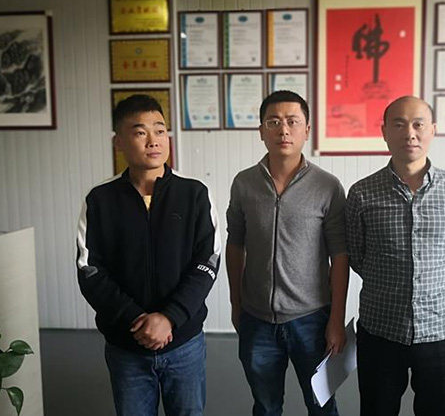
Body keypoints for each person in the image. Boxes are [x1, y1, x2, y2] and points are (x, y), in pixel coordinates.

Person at [76, 94, 221, 416]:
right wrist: (136, 320)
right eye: (140, 132)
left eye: (160, 130)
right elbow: (90, 270)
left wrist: (169, 317)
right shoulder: (100, 200)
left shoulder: (194, 194)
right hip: (127, 345)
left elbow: (207, 261)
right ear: (118, 142)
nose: (153, 140)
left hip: (184, 341)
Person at [346, 96, 445, 416]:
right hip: (381, 328)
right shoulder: (362, 192)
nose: (410, 133)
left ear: (433, 130)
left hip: (441, 329)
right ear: (384, 132)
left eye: (418, 124)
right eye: (399, 124)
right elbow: (357, 256)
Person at [226, 90, 349, 416]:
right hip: (257, 319)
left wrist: (336, 319)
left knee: (322, 406)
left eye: (292, 122)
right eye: (274, 122)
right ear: (261, 131)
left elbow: (340, 255)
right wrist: (236, 303)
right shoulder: (244, 184)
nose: (283, 130)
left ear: (306, 130)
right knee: (266, 406)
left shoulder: (327, 186)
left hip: (312, 320)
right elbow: (235, 244)